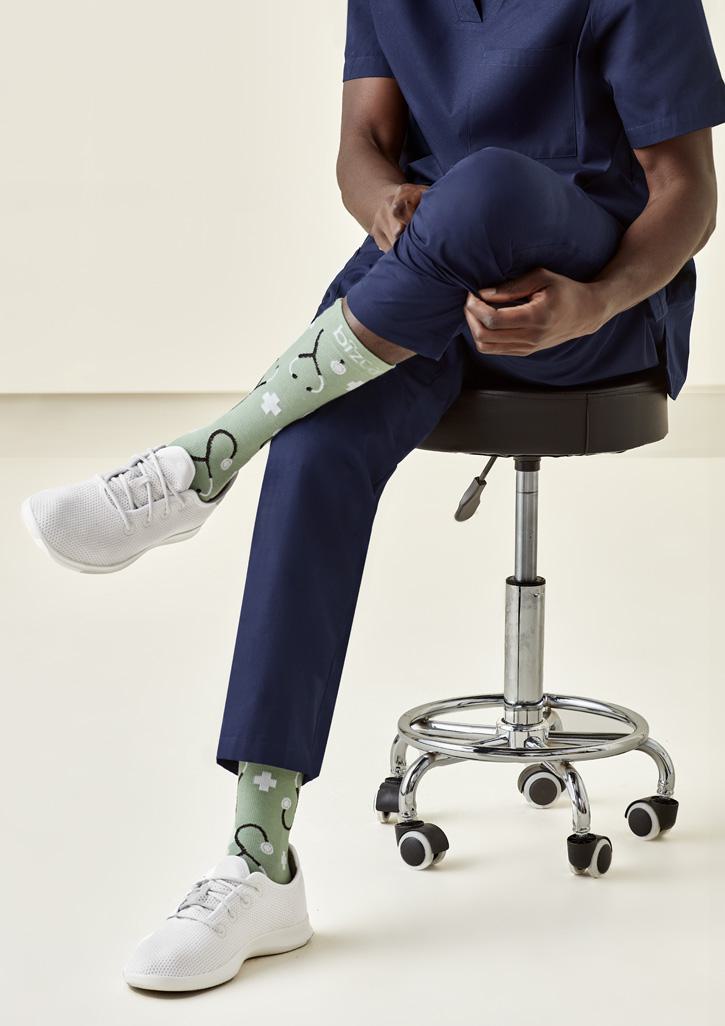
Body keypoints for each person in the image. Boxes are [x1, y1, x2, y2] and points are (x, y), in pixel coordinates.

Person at [21, 0, 725, 993]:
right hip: (426, 293)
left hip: (586, 305)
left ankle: (205, 459)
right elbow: (362, 144)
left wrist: (595, 302)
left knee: (484, 187)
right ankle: (260, 863)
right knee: (313, 449)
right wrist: (382, 205)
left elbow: (686, 191)